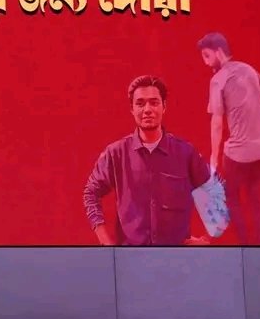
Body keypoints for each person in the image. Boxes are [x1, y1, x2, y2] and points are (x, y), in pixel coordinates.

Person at [83, 75, 211, 246]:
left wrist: (206, 239)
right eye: (140, 103)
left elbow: (214, 192)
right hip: (130, 256)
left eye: (154, 102)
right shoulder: (116, 154)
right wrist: (106, 243)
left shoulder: (186, 153)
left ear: (164, 107)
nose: (147, 109)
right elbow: (91, 193)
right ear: (132, 109)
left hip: (176, 257)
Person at [197, 32, 260, 244]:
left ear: (218, 52)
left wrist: (214, 156)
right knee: (254, 197)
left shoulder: (218, 80)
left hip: (239, 155)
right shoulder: (249, 69)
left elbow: (217, 122)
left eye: (207, 56)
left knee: (230, 196)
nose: (206, 63)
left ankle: (244, 244)